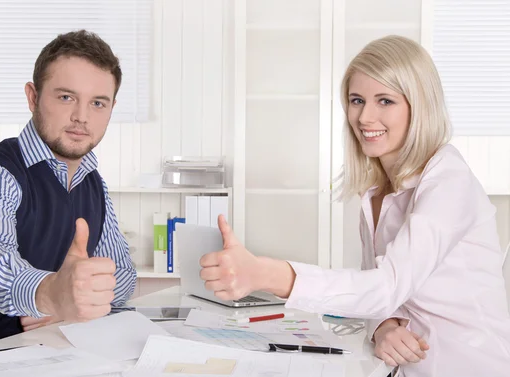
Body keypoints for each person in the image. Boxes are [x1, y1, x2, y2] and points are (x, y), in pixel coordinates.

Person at [199, 35, 510, 376]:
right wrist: (384, 327)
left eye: (385, 101)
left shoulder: (448, 182)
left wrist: (267, 274)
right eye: (357, 100)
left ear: (419, 106)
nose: (365, 117)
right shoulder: (377, 190)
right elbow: (379, 291)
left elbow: (387, 286)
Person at [0, 30, 137, 361]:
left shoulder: (93, 184)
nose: (82, 117)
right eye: (66, 97)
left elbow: (123, 277)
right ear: (33, 97)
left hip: (43, 353)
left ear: (111, 108)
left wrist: (78, 299)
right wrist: (52, 294)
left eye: (97, 103)